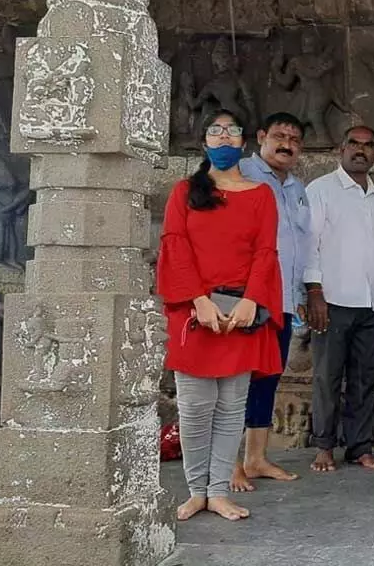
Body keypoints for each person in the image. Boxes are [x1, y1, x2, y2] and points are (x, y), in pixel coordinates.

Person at [157, 109, 284, 522]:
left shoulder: (261, 194)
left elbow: (266, 251)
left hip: (241, 313)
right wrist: (198, 299)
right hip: (196, 313)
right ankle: (197, 491)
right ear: (205, 142)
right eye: (216, 131)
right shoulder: (184, 191)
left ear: (244, 142)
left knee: (232, 408)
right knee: (195, 407)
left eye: (232, 131)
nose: (224, 138)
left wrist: (251, 301)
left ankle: (219, 491)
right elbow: (174, 246)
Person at [304, 125, 374, 473]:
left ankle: (360, 446)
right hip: (331, 301)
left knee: (365, 377)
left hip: (372, 303)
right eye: (354, 144)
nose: (360, 151)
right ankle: (324, 446)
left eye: (368, 146)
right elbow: (309, 245)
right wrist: (314, 291)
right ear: (340, 149)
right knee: (328, 376)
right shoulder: (320, 191)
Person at [230, 112, 308, 493]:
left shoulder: (296, 187)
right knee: (235, 380)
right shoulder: (241, 173)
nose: (286, 143)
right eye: (279, 135)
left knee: (266, 378)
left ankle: (256, 458)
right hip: (247, 297)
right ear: (260, 136)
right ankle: (228, 464)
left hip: (283, 300)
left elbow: (297, 246)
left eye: (293, 139)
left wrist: (302, 295)